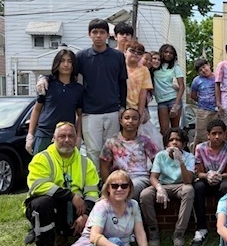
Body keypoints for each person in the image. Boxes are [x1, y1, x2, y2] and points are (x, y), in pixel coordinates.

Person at [36, 19, 128, 172]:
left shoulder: (117, 56)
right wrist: (45, 78)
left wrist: (123, 107)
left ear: (108, 35)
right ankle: (95, 184)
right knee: (93, 151)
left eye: (102, 32)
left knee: (112, 150)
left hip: (112, 110)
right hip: (89, 112)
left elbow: (122, 83)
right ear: (89, 34)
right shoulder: (81, 56)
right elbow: (66, 72)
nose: (98, 36)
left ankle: (112, 183)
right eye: (95, 32)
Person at [25, 122, 99, 246]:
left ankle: (61, 234)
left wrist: (85, 215)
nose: (66, 140)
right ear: (53, 138)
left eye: (70, 136)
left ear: (76, 139)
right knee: (43, 203)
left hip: (74, 209)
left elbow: (93, 193)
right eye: (62, 136)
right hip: (44, 206)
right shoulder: (42, 158)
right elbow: (37, 185)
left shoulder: (86, 162)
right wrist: (70, 195)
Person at [139, 128, 195, 246]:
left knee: (189, 190)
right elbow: (153, 177)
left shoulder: (189, 157)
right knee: (145, 194)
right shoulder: (160, 155)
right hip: (163, 185)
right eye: (171, 140)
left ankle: (178, 234)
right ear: (166, 144)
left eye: (178, 140)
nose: (174, 143)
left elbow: (188, 181)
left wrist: (180, 160)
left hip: (180, 185)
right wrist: (159, 188)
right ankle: (153, 231)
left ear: (184, 144)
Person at [26, 49, 84, 154]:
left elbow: (80, 115)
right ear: (57, 63)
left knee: (64, 169)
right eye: (62, 61)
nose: (66, 64)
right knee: (41, 168)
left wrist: (78, 136)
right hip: (44, 134)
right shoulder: (46, 84)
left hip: (66, 136)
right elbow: (37, 109)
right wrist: (30, 135)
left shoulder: (78, 89)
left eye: (69, 61)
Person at [99, 108, 159, 201]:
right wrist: (108, 183)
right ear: (121, 121)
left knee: (129, 189)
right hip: (119, 178)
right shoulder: (111, 142)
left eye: (134, 118)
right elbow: (104, 165)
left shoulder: (145, 140)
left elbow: (157, 161)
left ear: (139, 122)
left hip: (140, 178)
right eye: (127, 118)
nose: (130, 121)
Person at [192, 119, 227, 246]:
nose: (217, 136)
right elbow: (199, 173)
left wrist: (219, 176)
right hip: (206, 180)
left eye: (220, 133)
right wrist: (208, 175)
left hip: (222, 180)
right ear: (208, 134)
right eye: (214, 133)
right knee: (197, 187)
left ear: (225, 134)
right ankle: (201, 228)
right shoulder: (200, 148)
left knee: (226, 187)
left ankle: (226, 225)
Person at [153, 44, 185, 135]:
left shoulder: (176, 67)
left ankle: (175, 148)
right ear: (161, 53)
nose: (168, 54)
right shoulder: (155, 66)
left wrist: (176, 105)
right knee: (164, 131)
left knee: (175, 130)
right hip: (161, 101)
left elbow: (182, 86)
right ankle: (165, 149)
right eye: (166, 52)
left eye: (171, 53)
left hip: (174, 99)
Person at [190, 58, 218, 148]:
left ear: (208, 65)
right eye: (200, 70)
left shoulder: (217, 77)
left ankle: (213, 153)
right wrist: (203, 101)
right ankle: (197, 157)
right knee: (201, 134)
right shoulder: (197, 80)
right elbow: (193, 95)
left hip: (216, 111)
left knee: (215, 133)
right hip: (202, 111)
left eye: (204, 67)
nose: (203, 70)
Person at [124, 40, 153, 125]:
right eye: (132, 51)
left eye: (139, 53)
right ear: (125, 51)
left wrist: (139, 114)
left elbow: (143, 94)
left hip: (135, 108)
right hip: (119, 108)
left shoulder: (144, 70)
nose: (136, 54)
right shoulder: (119, 66)